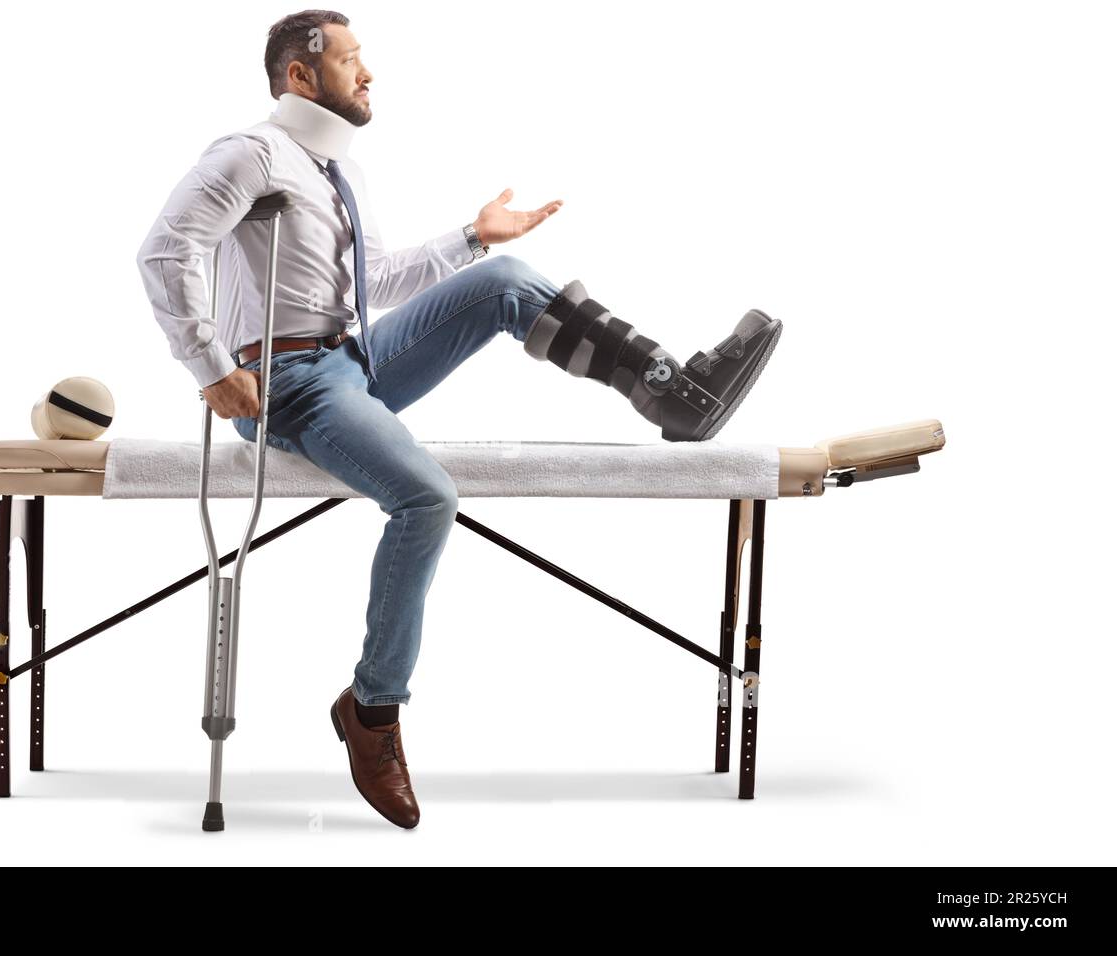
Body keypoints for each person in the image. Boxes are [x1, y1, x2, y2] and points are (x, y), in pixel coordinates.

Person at [135, 9, 782, 830]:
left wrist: (473, 236)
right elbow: (165, 250)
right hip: (286, 383)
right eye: (351, 60)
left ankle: (673, 392)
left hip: (350, 357)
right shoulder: (250, 153)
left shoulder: (337, 169)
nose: (368, 74)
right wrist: (212, 367)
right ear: (300, 77)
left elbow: (377, 281)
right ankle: (371, 712)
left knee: (505, 277)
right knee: (426, 499)